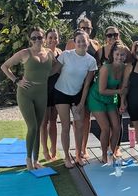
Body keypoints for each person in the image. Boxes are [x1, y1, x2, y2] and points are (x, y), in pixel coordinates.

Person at [1, 27, 54, 170]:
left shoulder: (50, 53)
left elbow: (54, 69)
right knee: (33, 126)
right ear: (30, 40)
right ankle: (28, 159)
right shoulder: (25, 53)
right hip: (26, 93)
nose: (37, 40)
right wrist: (16, 80)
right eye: (34, 38)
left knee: (38, 127)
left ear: (44, 38)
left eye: (40, 37)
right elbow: (5, 67)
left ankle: (36, 160)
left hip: (42, 93)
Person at [53, 30, 98, 168]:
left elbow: (86, 85)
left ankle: (78, 155)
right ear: (74, 42)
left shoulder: (91, 61)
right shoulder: (66, 55)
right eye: (78, 41)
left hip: (78, 95)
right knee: (66, 127)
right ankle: (67, 157)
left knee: (79, 126)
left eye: (83, 41)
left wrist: (81, 103)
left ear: (88, 41)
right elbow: (54, 70)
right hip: (61, 93)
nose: (81, 43)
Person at [65, 17, 101, 160]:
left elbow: (98, 64)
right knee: (76, 118)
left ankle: (84, 148)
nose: (86, 30)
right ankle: (77, 148)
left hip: (90, 85)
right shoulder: (71, 43)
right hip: (74, 86)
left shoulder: (95, 44)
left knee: (86, 117)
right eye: (83, 28)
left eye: (88, 28)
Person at [87, 42, 128, 162]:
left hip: (111, 99)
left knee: (116, 127)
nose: (119, 57)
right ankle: (104, 155)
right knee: (106, 128)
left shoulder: (124, 68)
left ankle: (112, 151)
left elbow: (123, 87)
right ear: (112, 54)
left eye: (122, 55)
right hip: (96, 97)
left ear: (125, 56)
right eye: (117, 54)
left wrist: (122, 103)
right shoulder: (106, 67)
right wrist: (119, 92)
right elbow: (102, 90)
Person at [41, 28, 62, 161]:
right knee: (44, 122)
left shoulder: (61, 53)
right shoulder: (42, 53)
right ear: (45, 39)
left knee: (53, 121)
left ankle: (54, 148)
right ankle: (45, 150)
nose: (53, 40)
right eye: (50, 38)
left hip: (57, 90)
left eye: (55, 37)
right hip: (44, 90)